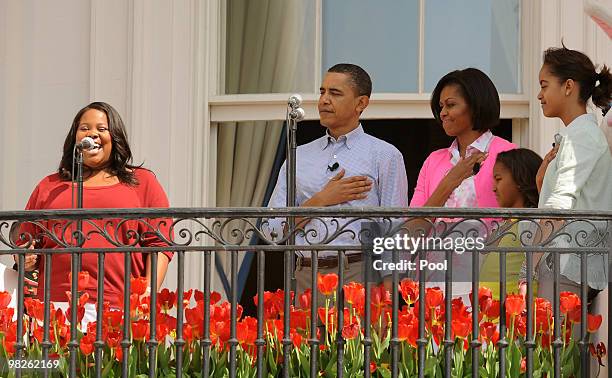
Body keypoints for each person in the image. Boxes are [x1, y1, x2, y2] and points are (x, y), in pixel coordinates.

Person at [267, 63, 409, 299]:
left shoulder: (385, 155)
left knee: (360, 337)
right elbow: (271, 230)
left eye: (335, 93)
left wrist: (390, 293)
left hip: (360, 273)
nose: (323, 100)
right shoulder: (298, 156)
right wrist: (321, 200)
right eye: (322, 92)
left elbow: (393, 229)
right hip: (305, 274)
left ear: (361, 103)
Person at [15, 102, 173, 308]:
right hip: (56, 306)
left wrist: (148, 293)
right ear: (75, 139)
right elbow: (25, 241)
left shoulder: (141, 182)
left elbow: (159, 244)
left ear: (115, 137)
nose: (93, 134)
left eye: (102, 129)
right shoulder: (50, 186)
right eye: (84, 128)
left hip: (119, 305)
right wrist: (24, 258)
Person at [410, 68, 516, 299]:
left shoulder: (508, 153)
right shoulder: (433, 161)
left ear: (475, 105)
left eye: (450, 105)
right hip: (433, 284)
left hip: (486, 284)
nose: (443, 113)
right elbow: (412, 227)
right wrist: (449, 182)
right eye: (440, 107)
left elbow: (520, 223)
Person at [532, 45, 612, 306]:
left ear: (568, 86)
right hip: (562, 261)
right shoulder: (576, 136)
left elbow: (559, 207)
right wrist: (542, 184)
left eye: (544, 86)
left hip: (565, 263)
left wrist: (526, 267)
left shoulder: (582, 138)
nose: (539, 95)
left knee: (555, 345)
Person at [479, 148, 542, 300]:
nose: (494, 188)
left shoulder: (529, 223)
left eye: (498, 179)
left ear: (520, 180)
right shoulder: (507, 223)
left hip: (512, 318)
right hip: (490, 318)